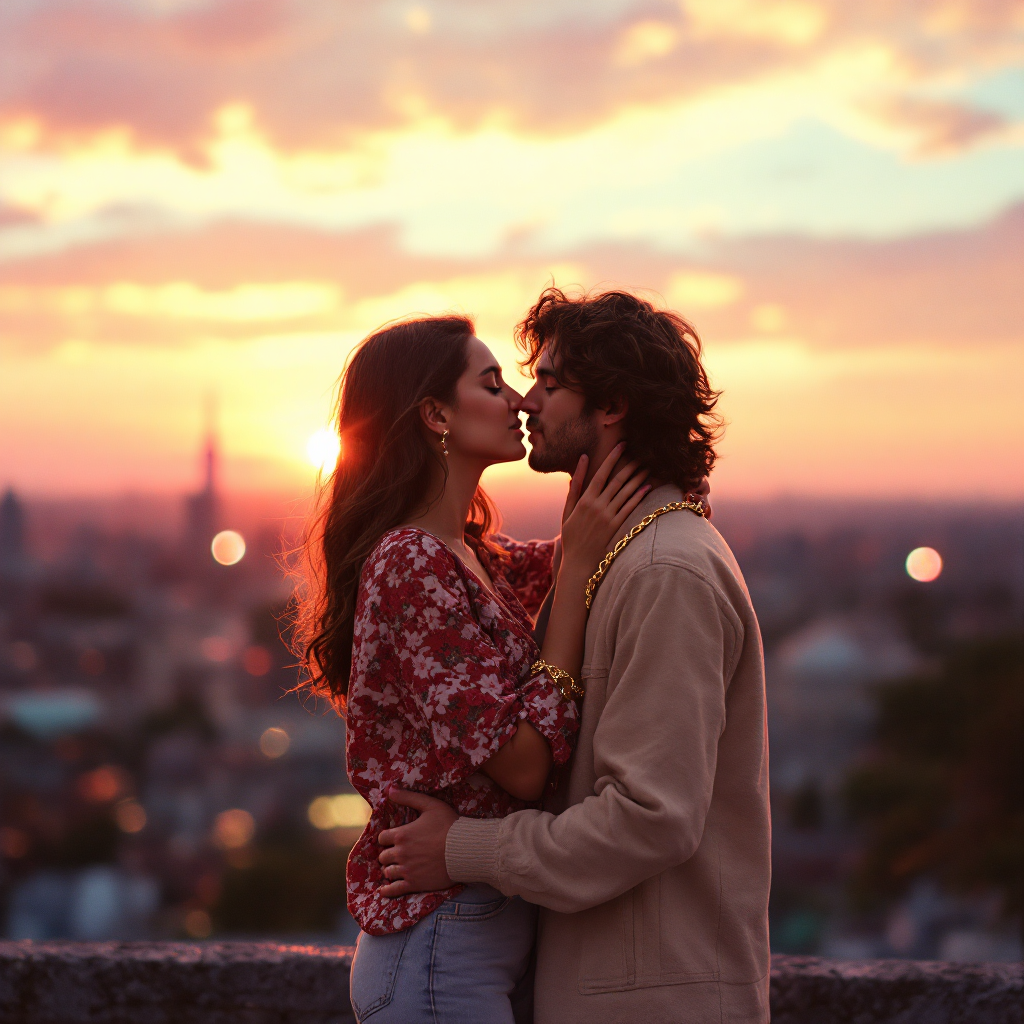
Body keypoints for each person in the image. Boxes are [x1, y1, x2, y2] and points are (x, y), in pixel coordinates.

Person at [376, 289, 772, 1024]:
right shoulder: (619, 556)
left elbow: (651, 818)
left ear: (612, 404)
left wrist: (464, 849)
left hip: (654, 1001)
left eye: (550, 383)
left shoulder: (664, 573)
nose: (527, 402)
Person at [292, 314, 653, 1023]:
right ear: (435, 415)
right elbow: (519, 767)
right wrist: (577, 571)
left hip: (472, 942)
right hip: (439, 953)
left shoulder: (474, 558)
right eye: (492, 384)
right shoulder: (410, 563)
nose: (519, 400)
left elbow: (608, 544)